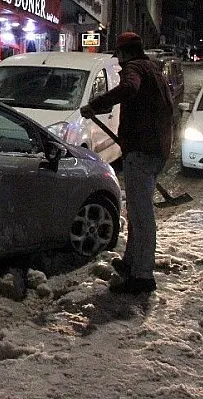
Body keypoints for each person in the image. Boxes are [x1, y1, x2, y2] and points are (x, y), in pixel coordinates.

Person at [80, 32, 174, 295]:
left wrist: (96, 105)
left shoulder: (133, 68)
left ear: (123, 53)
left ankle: (142, 277)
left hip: (142, 151)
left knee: (142, 215)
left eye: (119, 56)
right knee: (136, 209)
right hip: (157, 148)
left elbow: (129, 87)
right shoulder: (153, 68)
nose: (119, 62)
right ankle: (132, 262)